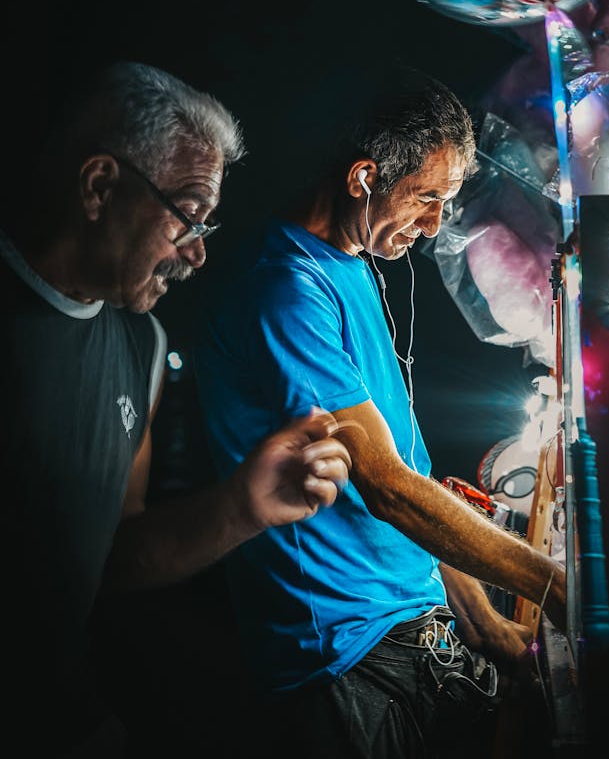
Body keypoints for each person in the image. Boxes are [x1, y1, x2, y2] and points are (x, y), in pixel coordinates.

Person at [193, 61, 567, 759]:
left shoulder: (353, 264)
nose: (432, 227)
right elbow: (390, 489)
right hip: (342, 660)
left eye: (446, 202)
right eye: (425, 197)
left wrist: (488, 628)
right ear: (364, 176)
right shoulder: (285, 288)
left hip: (406, 633)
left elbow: (415, 474)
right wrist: (552, 584)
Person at [0, 60, 352, 757]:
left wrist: (241, 507)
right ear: (100, 185)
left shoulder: (143, 342)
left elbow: (110, 557)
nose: (195, 254)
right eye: (188, 215)